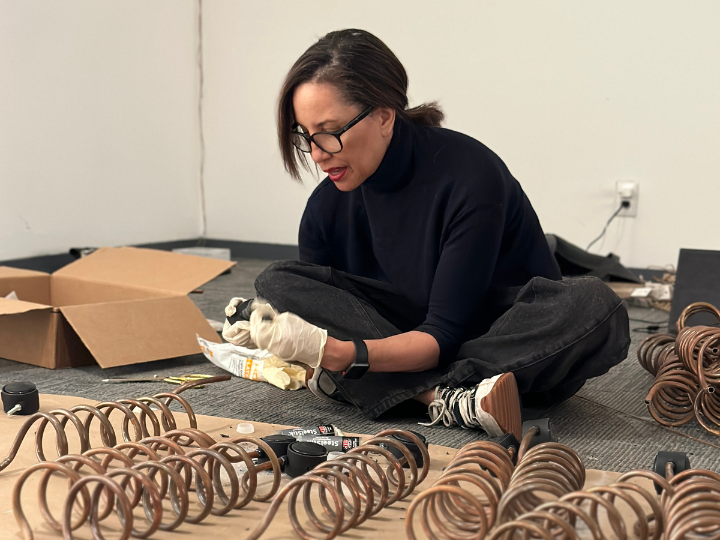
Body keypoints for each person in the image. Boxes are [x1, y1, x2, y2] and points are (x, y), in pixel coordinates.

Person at [223, 29, 630, 441]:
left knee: (596, 305)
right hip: (400, 337)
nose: (317, 153)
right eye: (304, 134)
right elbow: (334, 308)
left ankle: (414, 388)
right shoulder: (325, 208)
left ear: (384, 115)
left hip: (492, 336)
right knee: (275, 282)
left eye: (329, 131)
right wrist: (284, 333)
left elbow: (442, 335)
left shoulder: (470, 176)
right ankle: (446, 398)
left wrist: (335, 355)